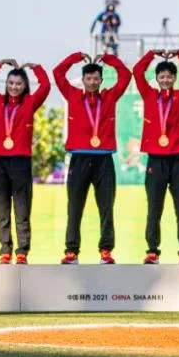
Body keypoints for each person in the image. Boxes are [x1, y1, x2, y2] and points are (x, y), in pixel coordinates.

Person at [54, 51, 132, 264]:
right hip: (79, 159)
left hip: (104, 159)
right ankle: (71, 252)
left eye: (96, 78)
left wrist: (108, 58)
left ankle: (106, 251)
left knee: (106, 207)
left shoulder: (110, 97)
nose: (92, 82)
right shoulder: (72, 95)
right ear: (83, 80)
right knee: (74, 207)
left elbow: (125, 75)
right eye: (88, 78)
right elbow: (58, 72)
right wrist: (76, 57)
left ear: (101, 80)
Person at [134, 49, 179, 264]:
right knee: (154, 207)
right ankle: (152, 251)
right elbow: (137, 71)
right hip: (155, 160)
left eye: (169, 76)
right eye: (161, 76)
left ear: (175, 78)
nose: (165, 80)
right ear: (156, 78)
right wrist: (151, 54)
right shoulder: (148, 95)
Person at [0, 59, 50, 264]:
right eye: (11, 83)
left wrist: (36, 68)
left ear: (25, 85)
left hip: (21, 162)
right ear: (6, 84)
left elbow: (46, 86)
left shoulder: (30, 102)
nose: (14, 87)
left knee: (22, 208)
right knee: (2, 208)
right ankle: (5, 250)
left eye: (19, 83)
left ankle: (22, 251)